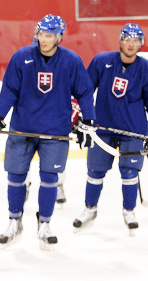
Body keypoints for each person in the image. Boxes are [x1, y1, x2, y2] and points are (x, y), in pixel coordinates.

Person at [0, 14, 96, 248]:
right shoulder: (22, 57)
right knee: (15, 177)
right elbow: (10, 90)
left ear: (59, 37)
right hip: (22, 129)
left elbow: (84, 92)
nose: (43, 39)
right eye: (41, 34)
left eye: (49, 35)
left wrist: (89, 122)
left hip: (56, 131)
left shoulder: (71, 61)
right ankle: (15, 221)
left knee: (50, 179)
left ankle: (44, 223)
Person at [73, 23, 148, 235]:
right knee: (95, 172)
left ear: (141, 43)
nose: (131, 44)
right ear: (120, 41)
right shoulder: (102, 61)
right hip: (102, 129)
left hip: (133, 130)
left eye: (136, 40)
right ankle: (90, 209)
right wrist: (81, 119)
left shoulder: (145, 68)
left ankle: (129, 211)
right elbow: (85, 92)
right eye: (127, 39)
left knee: (129, 172)